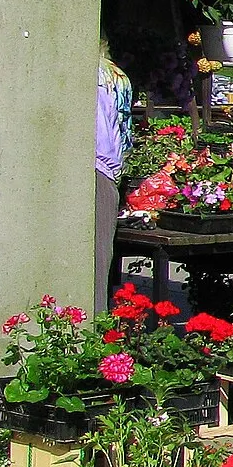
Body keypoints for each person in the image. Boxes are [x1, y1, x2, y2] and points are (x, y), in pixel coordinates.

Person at [96, 42, 134, 319]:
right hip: (107, 171)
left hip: (96, 167)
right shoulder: (117, 76)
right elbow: (124, 134)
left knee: (94, 262)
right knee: (99, 259)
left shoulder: (94, 76)